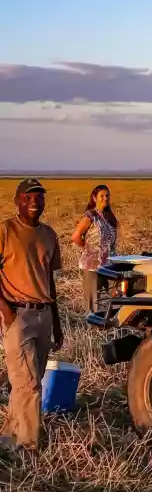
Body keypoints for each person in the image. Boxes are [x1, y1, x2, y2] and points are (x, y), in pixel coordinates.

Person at [0, 177, 63, 452]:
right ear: (17, 201)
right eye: (28, 197)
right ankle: (29, 447)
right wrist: (7, 312)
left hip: (43, 315)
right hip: (17, 314)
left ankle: (9, 438)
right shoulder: (5, 230)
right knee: (28, 384)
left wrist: (57, 323)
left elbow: (49, 280)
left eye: (39, 197)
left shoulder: (49, 235)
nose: (34, 202)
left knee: (28, 381)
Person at [71, 184, 118, 314]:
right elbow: (75, 237)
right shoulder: (90, 215)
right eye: (101, 196)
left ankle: (109, 322)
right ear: (94, 198)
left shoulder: (109, 217)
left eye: (107, 195)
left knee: (114, 295)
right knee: (93, 301)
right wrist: (88, 249)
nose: (105, 198)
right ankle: (93, 327)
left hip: (109, 264)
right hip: (92, 264)